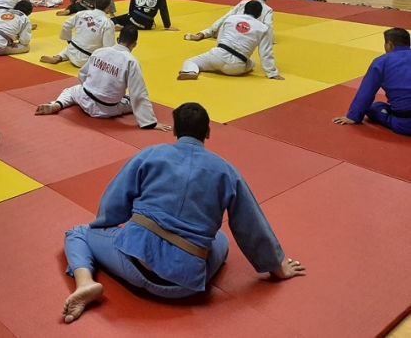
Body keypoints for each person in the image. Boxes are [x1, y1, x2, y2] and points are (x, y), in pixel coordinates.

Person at [60, 102, 305, 324]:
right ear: (207, 132)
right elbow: (251, 225)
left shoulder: (150, 155)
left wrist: (107, 228)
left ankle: (86, 282)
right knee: (220, 238)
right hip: (186, 285)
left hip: (134, 265)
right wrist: (276, 266)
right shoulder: (226, 171)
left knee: (79, 233)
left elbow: (114, 202)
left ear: (175, 131)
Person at [35, 26, 165, 129]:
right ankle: (145, 119)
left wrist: (93, 86)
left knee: (70, 91)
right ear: (134, 44)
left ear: (118, 39)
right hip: (107, 109)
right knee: (132, 100)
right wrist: (150, 123)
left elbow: (82, 74)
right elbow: (138, 93)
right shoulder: (131, 61)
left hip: (84, 97)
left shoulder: (100, 51)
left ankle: (58, 104)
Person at [333, 28, 411, 136]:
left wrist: (353, 116)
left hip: (405, 124)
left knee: (373, 107)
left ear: (389, 44)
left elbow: (366, 93)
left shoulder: (381, 62)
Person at [178, 0, 282, 81]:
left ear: (244, 9)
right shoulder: (263, 28)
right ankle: (263, 70)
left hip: (217, 56)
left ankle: (191, 71)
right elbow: (265, 52)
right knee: (252, 64)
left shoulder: (231, 19)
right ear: (259, 15)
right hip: (236, 68)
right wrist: (272, 73)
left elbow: (220, 39)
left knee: (190, 61)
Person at [40, 0, 115, 67]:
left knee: (75, 44)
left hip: (72, 49)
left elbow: (66, 25)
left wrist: (68, 39)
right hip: (86, 59)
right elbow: (108, 47)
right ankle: (64, 56)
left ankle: (59, 57)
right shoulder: (107, 23)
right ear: (108, 7)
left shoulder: (82, 13)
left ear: (94, 4)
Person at [185, 0, 274, 42]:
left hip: (228, 30)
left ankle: (202, 34)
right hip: (248, 35)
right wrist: (269, 40)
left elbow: (228, 15)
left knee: (218, 28)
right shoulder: (268, 10)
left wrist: (214, 27)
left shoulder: (244, 2)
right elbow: (268, 26)